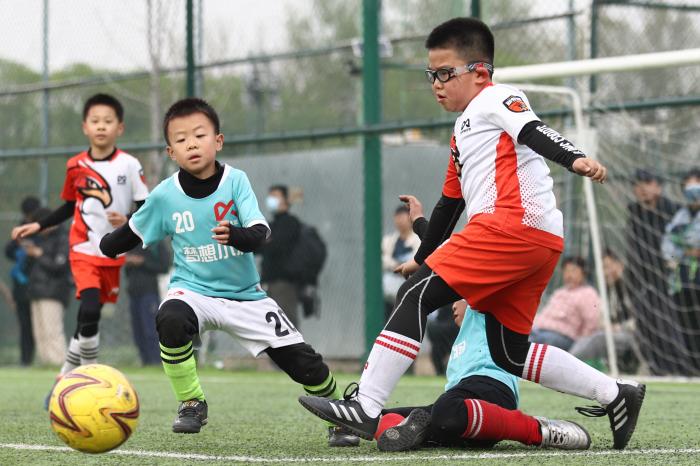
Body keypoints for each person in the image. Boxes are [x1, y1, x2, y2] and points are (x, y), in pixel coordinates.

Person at [299, 17, 645, 451]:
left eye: (446, 73)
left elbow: (534, 131)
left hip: (512, 226)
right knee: (509, 352)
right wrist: (422, 258)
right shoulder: (463, 131)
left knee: (414, 297)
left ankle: (366, 405)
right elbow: (449, 205)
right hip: (535, 240)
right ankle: (615, 393)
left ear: (480, 72)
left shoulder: (496, 97)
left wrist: (574, 158)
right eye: (431, 74)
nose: (436, 84)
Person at [99, 97, 358, 447]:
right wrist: (104, 245)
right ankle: (191, 402)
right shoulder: (165, 196)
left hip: (246, 296)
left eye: (199, 135)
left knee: (304, 364)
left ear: (218, 141)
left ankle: (340, 413)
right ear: (171, 152)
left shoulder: (235, 181)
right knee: (170, 316)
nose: (191, 144)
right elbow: (129, 233)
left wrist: (237, 235)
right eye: (181, 139)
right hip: (193, 292)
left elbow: (260, 233)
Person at [11, 94, 150, 389]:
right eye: (95, 121)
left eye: (108, 121)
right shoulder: (75, 165)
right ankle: (90, 377)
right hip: (83, 248)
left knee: (90, 318)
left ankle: (65, 374)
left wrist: (128, 220)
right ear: (85, 127)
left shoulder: (129, 165)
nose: (101, 126)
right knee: (89, 308)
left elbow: (145, 208)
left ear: (120, 128)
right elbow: (67, 206)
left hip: (113, 252)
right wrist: (39, 224)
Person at [375, 299, 590, 451]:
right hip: (465, 414)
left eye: (458, 297)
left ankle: (539, 430)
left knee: (445, 410)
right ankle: (416, 434)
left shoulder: (484, 309)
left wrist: (422, 258)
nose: (453, 305)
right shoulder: (461, 338)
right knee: (379, 417)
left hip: (492, 391)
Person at [626, 168, 682, 374]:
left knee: (671, 326)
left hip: (670, 279)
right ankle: (657, 369)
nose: (641, 189)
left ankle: (682, 368)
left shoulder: (674, 211)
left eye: (647, 183)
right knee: (647, 326)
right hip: (642, 280)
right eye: (637, 185)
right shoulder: (634, 213)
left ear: (658, 186)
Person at [569, 250, 641, 373]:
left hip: (633, 336)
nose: (605, 272)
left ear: (620, 265)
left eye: (608, 266)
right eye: (603, 268)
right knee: (585, 338)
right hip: (613, 334)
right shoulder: (607, 289)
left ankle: (568, 363)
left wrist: (619, 327)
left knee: (600, 338)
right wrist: (605, 325)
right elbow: (602, 318)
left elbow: (639, 321)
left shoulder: (630, 287)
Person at [661, 168, 700, 374]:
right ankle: (693, 370)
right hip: (683, 280)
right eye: (688, 185)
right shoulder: (681, 216)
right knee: (688, 325)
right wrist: (679, 254)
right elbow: (668, 243)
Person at [23, 207, 71, 366]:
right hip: (36, 291)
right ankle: (45, 363)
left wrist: (39, 254)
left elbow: (59, 266)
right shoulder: (42, 239)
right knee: (39, 331)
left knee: (52, 331)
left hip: (53, 291)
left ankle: (58, 363)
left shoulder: (63, 238)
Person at [530, 257, 601, 351]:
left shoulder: (588, 293)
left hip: (563, 336)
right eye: (566, 271)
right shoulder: (559, 292)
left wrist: (581, 345)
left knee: (541, 342)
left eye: (573, 271)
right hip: (538, 330)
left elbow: (591, 322)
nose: (569, 275)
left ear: (583, 273)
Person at [260, 185, 303, 327]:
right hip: (268, 283)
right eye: (270, 196)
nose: (271, 199)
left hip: (284, 283)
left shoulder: (290, 222)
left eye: (275, 196)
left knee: (287, 324)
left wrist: (266, 242)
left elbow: (276, 245)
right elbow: (258, 246)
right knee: (270, 326)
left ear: (285, 200)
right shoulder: (271, 224)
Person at [4, 196, 40, 366]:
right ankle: (26, 360)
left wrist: (35, 251)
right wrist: (20, 246)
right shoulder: (21, 229)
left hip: (40, 285)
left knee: (40, 325)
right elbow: (8, 251)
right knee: (25, 325)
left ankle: (45, 359)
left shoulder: (44, 228)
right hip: (21, 287)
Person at [124, 240, 171, 365]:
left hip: (149, 293)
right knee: (138, 330)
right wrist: (129, 262)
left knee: (151, 329)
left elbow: (164, 266)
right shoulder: (130, 242)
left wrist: (143, 262)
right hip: (133, 293)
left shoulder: (155, 242)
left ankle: (156, 360)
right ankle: (145, 361)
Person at [382, 205, 421, 321]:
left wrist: (405, 267)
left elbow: (417, 259)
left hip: (410, 286)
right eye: (397, 217)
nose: (399, 221)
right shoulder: (388, 241)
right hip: (389, 291)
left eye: (402, 217)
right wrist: (396, 266)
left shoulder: (418, 240)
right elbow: (383, 259)